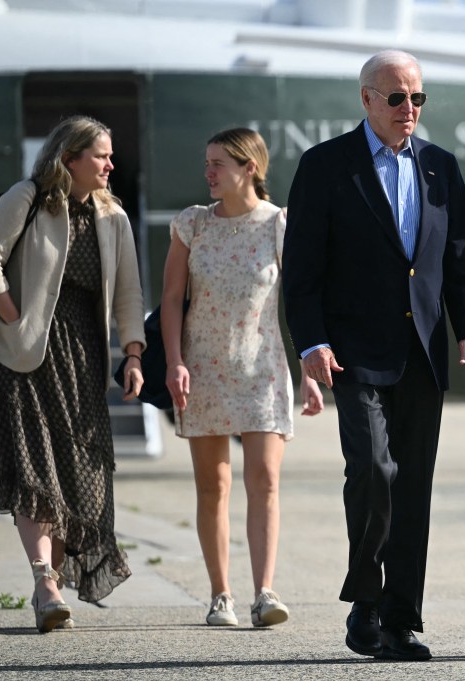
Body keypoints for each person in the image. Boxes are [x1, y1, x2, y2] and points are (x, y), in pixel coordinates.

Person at [281, 49, 465, 661]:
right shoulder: (325, 167)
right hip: (354, 353)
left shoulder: (441, 168)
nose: (409, 109)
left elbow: (458, 263)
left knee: (414, 486)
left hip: (422, 352)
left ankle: (400, 620)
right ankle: (366, 598)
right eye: (397, 98)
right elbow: (302, 272)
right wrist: (312, 342)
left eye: (418, 98)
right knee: (373, 471)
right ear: (366, 98)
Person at [0, 115, 146, 632]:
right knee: (33, 473)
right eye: (101, 156)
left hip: (83, 359)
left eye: (111, 156)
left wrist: (132, 354)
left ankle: (55, 587)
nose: (111, 164)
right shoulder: (27, 197)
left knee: (79, 478)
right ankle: (44, 581)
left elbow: (131, 293)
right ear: (68, 159)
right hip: (18, 357)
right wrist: (13, 319)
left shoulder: (113, 216)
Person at [160, 127, 323, 629]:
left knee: (266, 481)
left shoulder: (278, 224)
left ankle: (264, 592)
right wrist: (174, 362)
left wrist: (308, 368)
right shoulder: (192, 225)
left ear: (248, 167)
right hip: (202, 367)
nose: (208, 173)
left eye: (217, 165)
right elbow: (170, 299)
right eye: (206, 164)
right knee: (213, 486)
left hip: (262, 369)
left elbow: (296, 301)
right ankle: (220, 596)